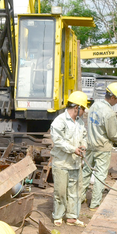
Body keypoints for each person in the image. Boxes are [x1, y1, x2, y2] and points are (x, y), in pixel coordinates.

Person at [81, 82, 117, 210]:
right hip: (102, 148)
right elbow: (112, 134)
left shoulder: (94, 106)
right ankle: (94, 204)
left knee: (86, 172)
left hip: (90, 145)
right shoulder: (109, 113)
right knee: (100, 175)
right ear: (113, 97)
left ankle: (80, 197)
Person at [50, 91, 89, 227]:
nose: (84, 112)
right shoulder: (59, 121)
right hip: (62, 163)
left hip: (75, 163)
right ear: (76, 108)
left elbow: (84, 135)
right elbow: (58, 140)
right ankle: (58, 216)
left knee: (75, 192)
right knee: (60, 191)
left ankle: (72, 216)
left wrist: (83, 145)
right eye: (83, 108)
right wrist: (73, 149)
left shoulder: (79, 122)